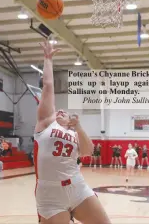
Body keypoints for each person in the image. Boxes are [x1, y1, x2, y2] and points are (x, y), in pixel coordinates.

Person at [34, 40, 111, 224]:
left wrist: (78, 127)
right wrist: (48, 60)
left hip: (77, 186)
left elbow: (88, 151)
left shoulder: (74, 131)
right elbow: (48, 86)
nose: (61, 111)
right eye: (57, 110)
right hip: (50, 192)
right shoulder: (45, 123)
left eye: (65, 112)